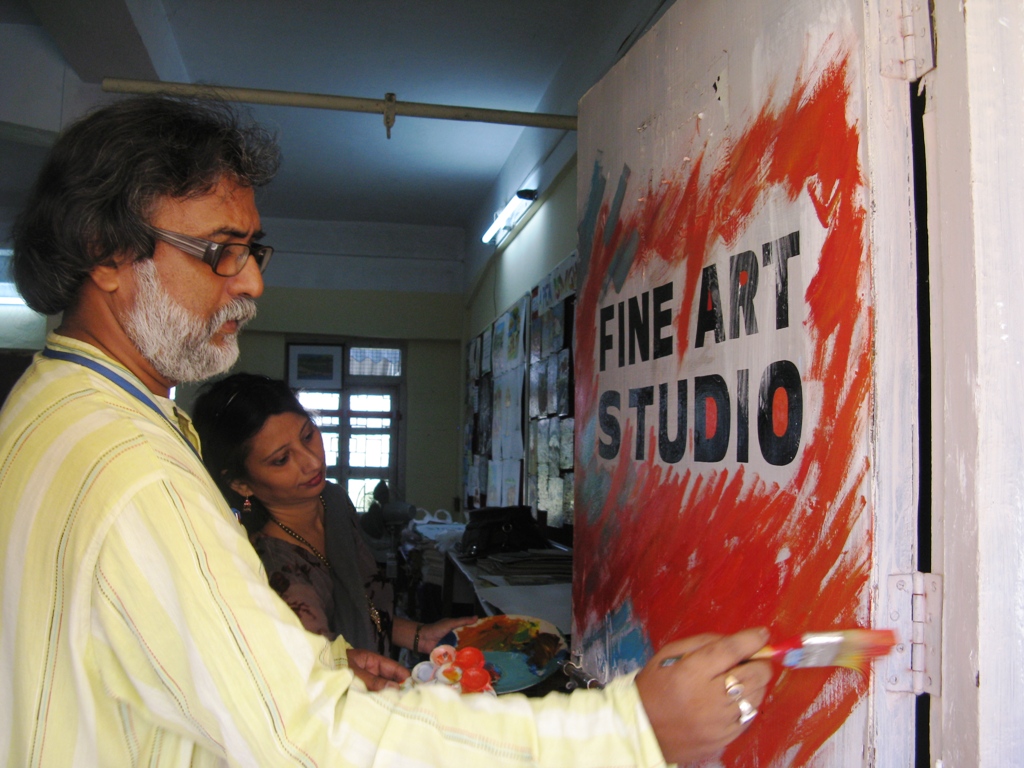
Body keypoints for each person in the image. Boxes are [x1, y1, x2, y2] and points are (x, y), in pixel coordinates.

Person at [0, 94, 773, 767]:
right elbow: (312, 741)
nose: (254, 281)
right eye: (219, 252)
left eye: (253, 249)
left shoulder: (50, 411)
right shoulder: (135, 471)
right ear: (106, 254)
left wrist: (328, 665)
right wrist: (632, 730)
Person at [191, 372, 473, 656]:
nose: (313, 462)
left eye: (308, 436)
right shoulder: (272, 568)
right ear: (240, 484)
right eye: (282, 459)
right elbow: (318, 669)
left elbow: (364, 608)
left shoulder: (334, 501)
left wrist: (420, 636)